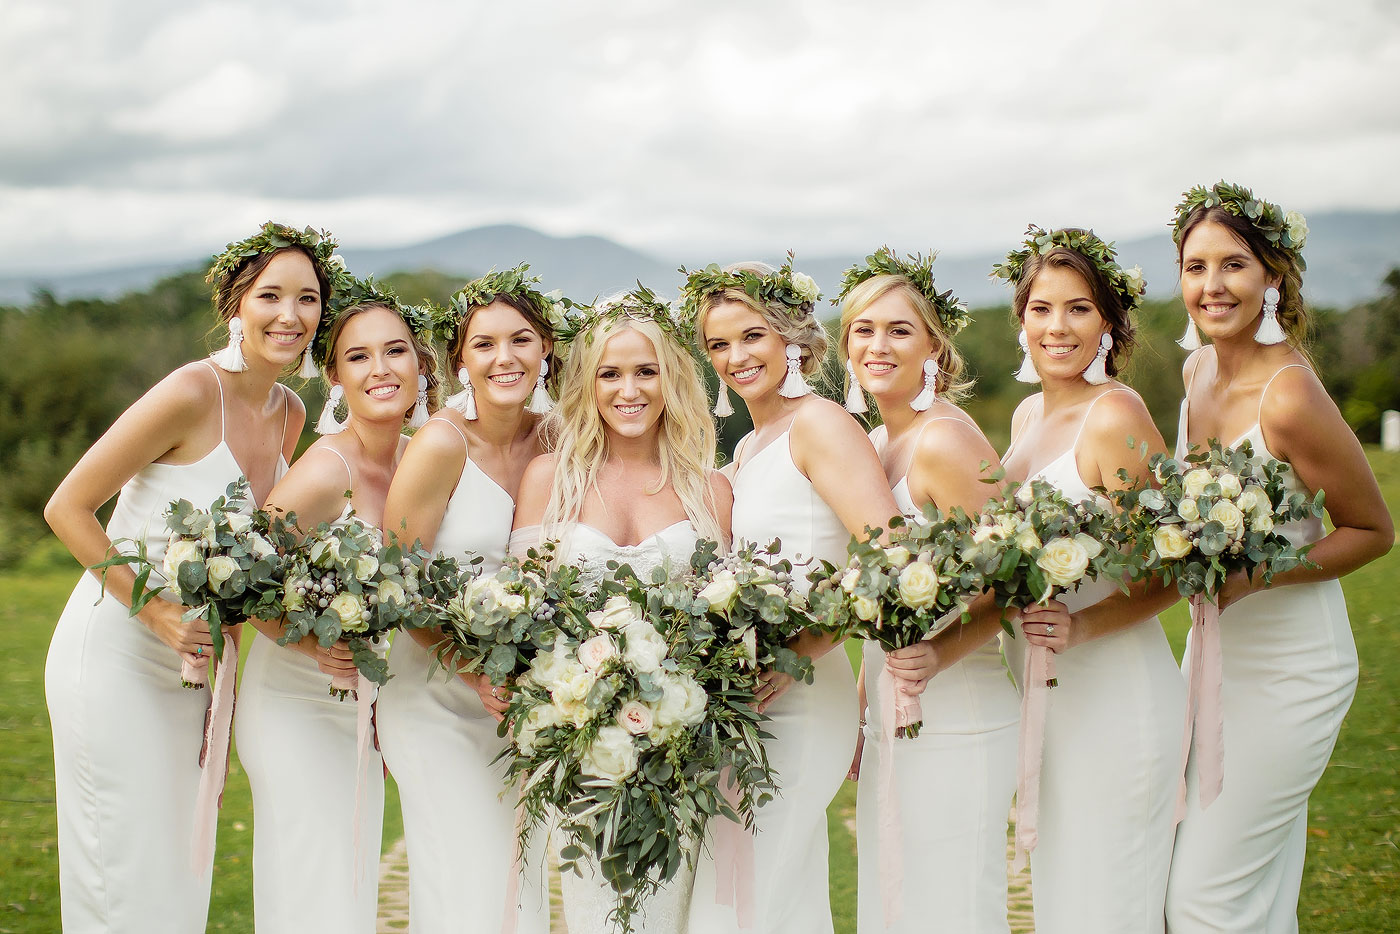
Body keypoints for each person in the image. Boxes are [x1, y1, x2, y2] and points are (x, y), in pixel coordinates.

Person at [44, 222, 332, 932]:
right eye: (270, 296)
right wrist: (155, 611)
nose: (289, 316)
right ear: (236, 304)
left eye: (308, 299)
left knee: (178, 866)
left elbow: (258, 556)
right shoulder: (190, 392)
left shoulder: (291, 412)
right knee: (122, 870)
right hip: (117, 651)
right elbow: (69, 508)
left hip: (196, 671)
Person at [1163, 182, 1392, 933]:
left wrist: (1261, 573)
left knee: (1204, 900)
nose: (1212, 285)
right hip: (1211, 662)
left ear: (1273, 277)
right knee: (1248, 897)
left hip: (1293, 669)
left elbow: (1371, 529)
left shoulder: (1288, 395)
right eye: (1196, 267)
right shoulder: (1197, 374)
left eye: (1233, 264)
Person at [681, 259, 899, 934]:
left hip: (802, 696)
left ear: (793, 341)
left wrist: (802, 648)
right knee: (767, 897)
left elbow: (888, 554)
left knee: (748, 901)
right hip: (746, 704)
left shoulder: (821, 424)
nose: (736, 357)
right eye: (719, 344)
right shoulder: (746, 448)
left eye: (752, 336)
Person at [511, 286, 732, 933]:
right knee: (594, 912)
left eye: (646, 371)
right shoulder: (550, 478)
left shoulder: (708, 488)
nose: (628, 389)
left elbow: (724, 627)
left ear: (671, 379)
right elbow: (525, 616)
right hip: (581, 749)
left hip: (681, 753)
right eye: (610, 373)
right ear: (589, 382)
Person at [994, 227, 1185, 933]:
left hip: (1116, 697)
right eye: (1041, 309)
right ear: (1022, 319)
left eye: (1078, 309)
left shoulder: (1116, 414)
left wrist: (1086, 623)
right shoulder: (1027, 414)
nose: (1057, 326)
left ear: (1108, 321)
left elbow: (1177, 564)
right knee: (1068, 903)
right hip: (1050, 700)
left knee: (1113, 905)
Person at [235, 277, 438, 934]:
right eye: (358, 356)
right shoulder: (327, 471)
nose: (380, 370)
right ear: (334, 376)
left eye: (396, 351)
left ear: (420, 364)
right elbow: (236, 576)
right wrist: (310, 643)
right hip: (295, 702)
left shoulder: (419, 459)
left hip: (360, 702)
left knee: (347, 884)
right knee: (312, 884)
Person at [836, 249, 1019, 933]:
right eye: (862, 330)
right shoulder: (879, 441)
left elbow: (1016, 582)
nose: (877, 345)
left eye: (898, 330)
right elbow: (878, 594)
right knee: (899, 902)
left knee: (952, 907)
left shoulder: (945, 441)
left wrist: (941, 654)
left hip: (959, 709)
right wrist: (861, 709)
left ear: (933, 346)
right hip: (893, 706)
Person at [376, 266, 559, 934]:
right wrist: (473, 667)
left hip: (522, 698)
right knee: (464, 876)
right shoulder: (442, 443)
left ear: (545, 350)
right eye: (484, 344)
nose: (503, 357)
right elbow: (396, 578)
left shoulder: (558, 438)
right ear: (460, 361)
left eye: (520, 340)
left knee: (519, 877)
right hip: (434, 691)